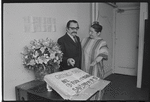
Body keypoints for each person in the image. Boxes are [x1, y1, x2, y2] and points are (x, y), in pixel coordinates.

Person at [81, 21, 109, 100]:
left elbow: (103, 53)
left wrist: (95, 61)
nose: (89, 33)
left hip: (95, 70)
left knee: (95, 87)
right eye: (89, 31)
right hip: (84, 69)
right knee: (85, 87)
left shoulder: (102, 42)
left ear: (98, 33)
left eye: (92, 32)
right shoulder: (84, 40)